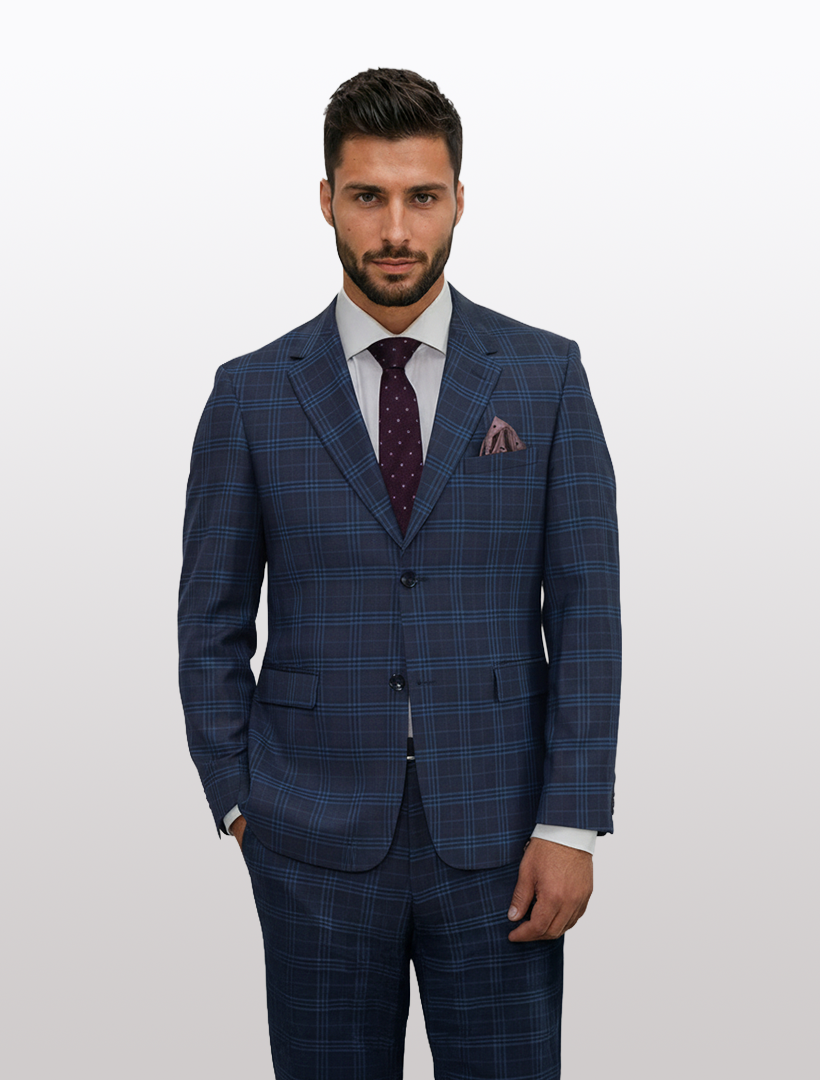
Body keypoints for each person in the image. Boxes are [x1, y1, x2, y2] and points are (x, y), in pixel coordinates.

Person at [179, 67, 620, 1080]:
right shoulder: (249, 396)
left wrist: (570, 818)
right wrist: (240, 802)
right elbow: (208, 622)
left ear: (459, 199)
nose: (395, 228)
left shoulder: (544, 377)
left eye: (421, 196)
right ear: (326, 199)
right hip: (309, 841)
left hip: (507, 836)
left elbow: (588, 609)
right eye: (368, 196)